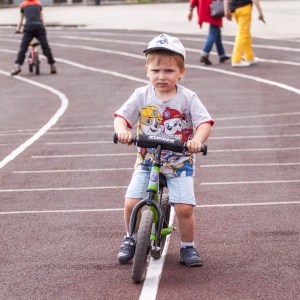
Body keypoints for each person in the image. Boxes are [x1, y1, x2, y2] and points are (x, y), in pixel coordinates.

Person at [114, 34, 214, 267]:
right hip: (148, 160)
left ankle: (188, 246)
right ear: (147, 70)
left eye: (169, 71)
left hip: (179, 162)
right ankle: (131, 237)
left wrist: (197, 140)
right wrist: (123, 132)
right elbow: (121, 118)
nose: (162, 76)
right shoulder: (141, 95)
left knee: (184, 208)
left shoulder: (188, 98)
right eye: (156, 70)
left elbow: (204, 122)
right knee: (131, 203)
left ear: (181, 72)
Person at [11, 0, 57, 76]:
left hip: (29, 27)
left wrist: (18, 29)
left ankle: (17, 66)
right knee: (45, 47)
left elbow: (21, 19)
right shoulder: (38, 3)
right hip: (39, 27)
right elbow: (41, 18)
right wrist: (44, 29)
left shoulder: (23, 4)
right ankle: (52, 65)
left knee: (23, 48)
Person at [188, 0, 230, 65]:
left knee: (216, 30)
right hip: (214, 7)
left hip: (205, 7)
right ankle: (205, 54)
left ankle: (222, 54)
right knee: (214, 30)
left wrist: (191, 10)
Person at [224, 0, 264, 67]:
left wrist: (226, 10)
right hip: (245, 8)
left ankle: (249, 57)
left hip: (234, 9)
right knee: (242, 33)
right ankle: (236, 59)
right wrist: (260, 12)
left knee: (246, 33)